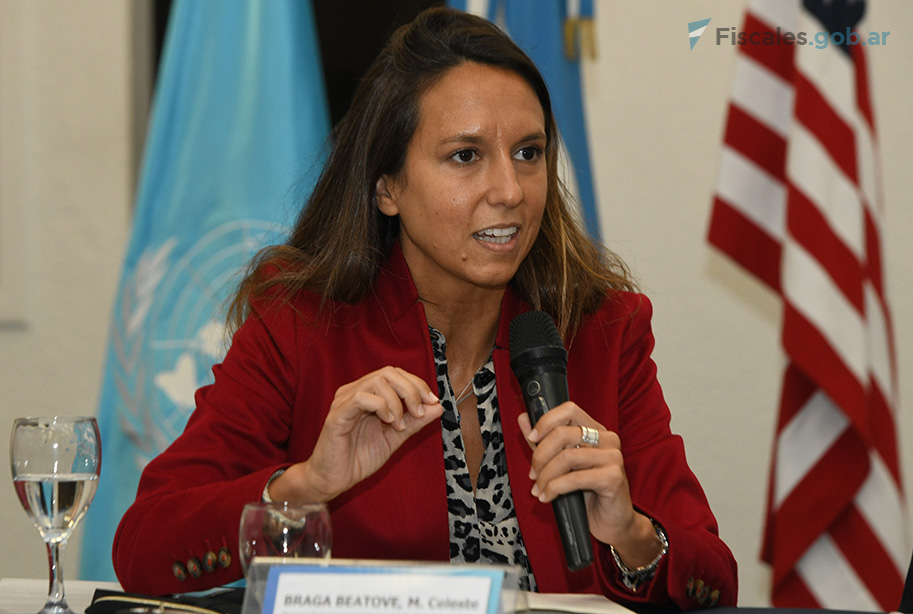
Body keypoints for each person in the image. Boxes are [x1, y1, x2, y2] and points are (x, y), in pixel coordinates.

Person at [113, 6, 737, 610]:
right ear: (387, 187)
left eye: (528, 152)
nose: (510, 190)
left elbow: (715, 577)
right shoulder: (302, 323)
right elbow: (144, 543)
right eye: (465, 156)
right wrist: (305, 486)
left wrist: (630, 532)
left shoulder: (600, 328)